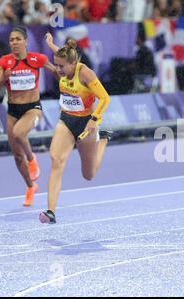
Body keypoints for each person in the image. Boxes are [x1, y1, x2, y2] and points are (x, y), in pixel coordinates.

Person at [40, 33, 112, 224]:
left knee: (88, 174)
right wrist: (51, 44)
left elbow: (105, 98)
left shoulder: (85, 73)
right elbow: (61, 55)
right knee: (56, 160)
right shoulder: (65, 61)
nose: (58, 70)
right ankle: (51, 212)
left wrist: (95, 119)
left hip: (86, 124)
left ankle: (103, 140)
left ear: (73, 64)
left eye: (61, 67)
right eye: (56, 65)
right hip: (66, 120)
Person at [0, 26, 56, 207]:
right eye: (11, 40)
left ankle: (32, 159)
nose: (14, 43)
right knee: (16, 156)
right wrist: (3, 77)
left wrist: (68, 77)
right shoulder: (3, 62)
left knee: (20, 134)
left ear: (26, 41)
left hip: (33, 108)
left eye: (18, 39)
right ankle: (30, 186)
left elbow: (56, 71)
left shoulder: (37, 59)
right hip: (13, 111)